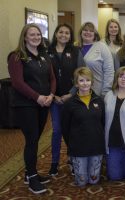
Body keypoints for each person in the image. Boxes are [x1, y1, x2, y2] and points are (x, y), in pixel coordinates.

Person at [8, 23, 55, 194]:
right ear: (25, 37)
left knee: (36, 139)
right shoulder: (16, 56)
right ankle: (33, 177)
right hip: (25, 105)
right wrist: (38, 97)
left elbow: (52, 78)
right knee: (32, 140)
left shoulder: (44, 55)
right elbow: (17, 83)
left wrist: (51, 95)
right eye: (32, 34)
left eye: (38, 34)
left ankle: (30, 173)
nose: (36, 37)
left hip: (44, 104)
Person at [47, 23, 84, 176]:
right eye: (61, 32)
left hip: (72, 98)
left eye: (67, 33)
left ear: (70, 36)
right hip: (53, 99)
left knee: (72, 131)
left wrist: (71, 93)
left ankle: (72, 159)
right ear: (56, 34)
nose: (64, 35)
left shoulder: (76, 51)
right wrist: (52, 95)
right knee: (57, 130)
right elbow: (43, 76)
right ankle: (54, 162)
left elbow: (82, 73)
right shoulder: (46, 52)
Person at [61, 67, 105, 187]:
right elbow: (65, 127)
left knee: (93, 181)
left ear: (92, 82)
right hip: (78, 148)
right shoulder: (69, 104)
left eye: (87, 80)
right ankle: (73, 163)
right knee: (81, 182)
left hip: (96, 146)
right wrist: (71, 145)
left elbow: (103, 123)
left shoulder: (99, 101)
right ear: (76, 83)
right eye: (81, 80)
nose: (85, 83)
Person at [77, 22, 114, 97]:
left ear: (95, 34)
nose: (88, 32)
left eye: (91, 31)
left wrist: (106, 91)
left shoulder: (101, 47)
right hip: (78, 93)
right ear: (81, 32)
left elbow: (109, 71)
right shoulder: (75, 48)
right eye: (85, 30)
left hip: (98, 93)